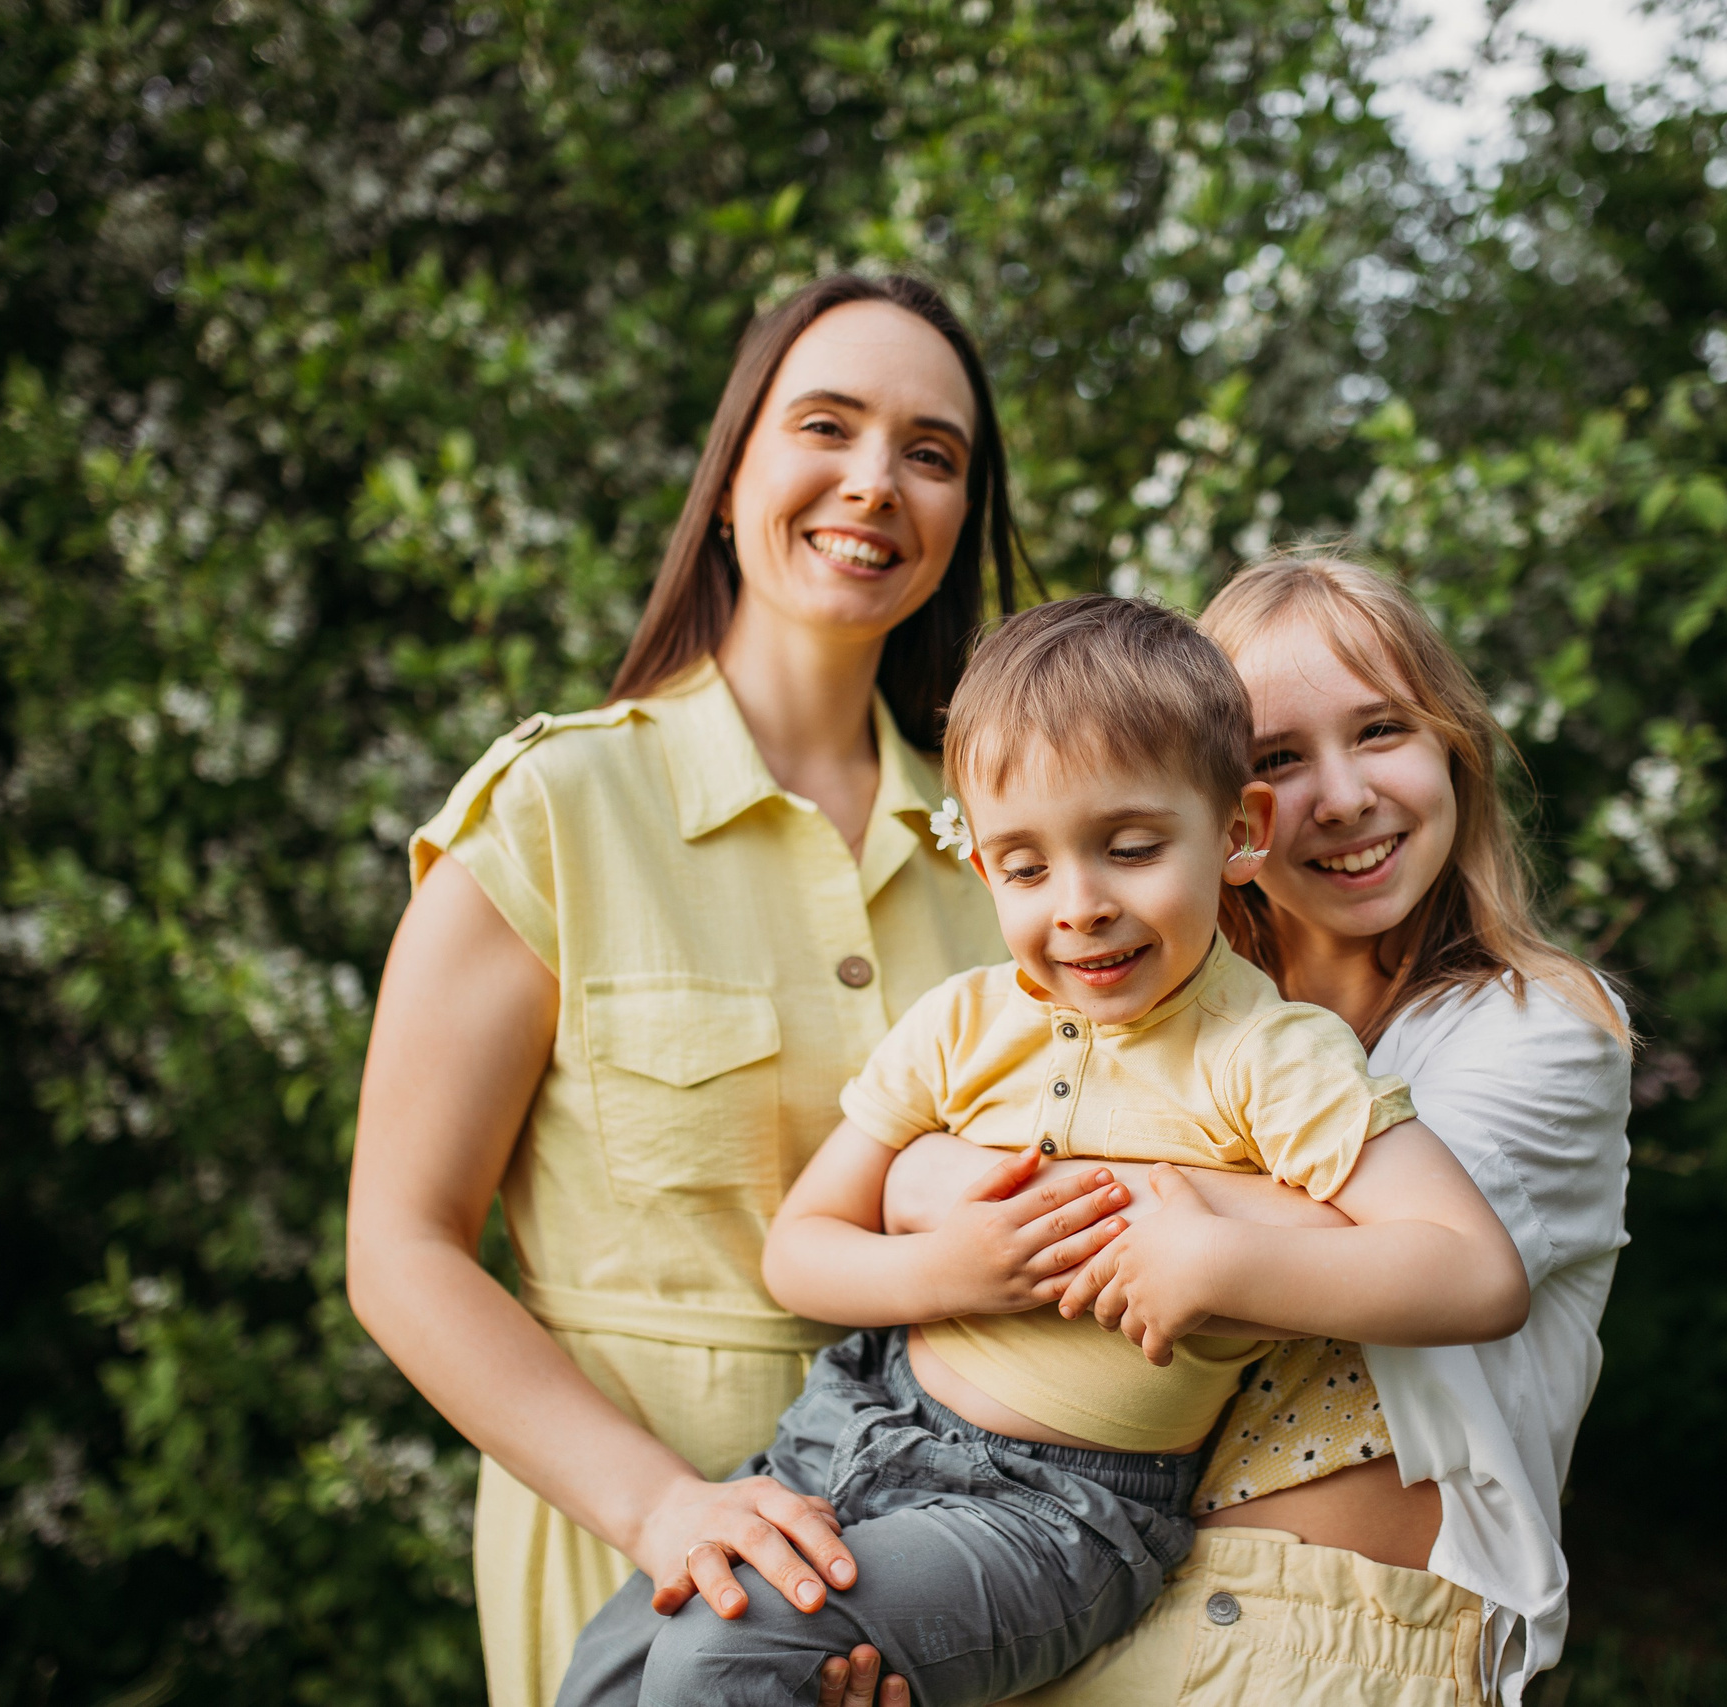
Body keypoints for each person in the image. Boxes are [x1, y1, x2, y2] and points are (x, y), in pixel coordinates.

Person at [344, 273, 1115, 1707]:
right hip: (630, 1562)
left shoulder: (1015, 862)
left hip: (939, 1587)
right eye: (828, 426)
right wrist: (661, 1508)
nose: (874, 483)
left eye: (931, 452)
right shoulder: (557, 805)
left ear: (961, 518)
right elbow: (400, 1245)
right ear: (731, 476)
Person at [554, 595, 1532, 1706]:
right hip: (847, 1433)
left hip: (1057, 1514)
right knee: (619, 1661)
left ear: (1240, 831)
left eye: (1129, 848)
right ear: (980, 864)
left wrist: (1216, 1263)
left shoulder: (1268, 1056)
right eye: (1025, 868)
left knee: (728, 1651)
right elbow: (801, 1251)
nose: (1080, 907)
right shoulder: (961, 1024)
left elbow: (1476, 1272)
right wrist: (948, 1271)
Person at [848, 553, 1634, 1707]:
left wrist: (947, 1179)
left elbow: (1406, 1243)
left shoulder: (1533, 1032)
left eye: (1379, 730)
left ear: (1453, 746)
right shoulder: (1187, 1024)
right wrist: (918, 1172)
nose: (1342, 796)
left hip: (1335, 1633)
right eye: (1278, 757)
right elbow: (916, 1154)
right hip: (1106, 1573)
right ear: (1225, 811)